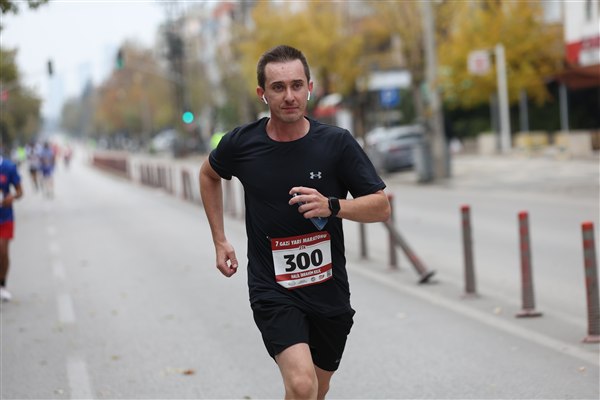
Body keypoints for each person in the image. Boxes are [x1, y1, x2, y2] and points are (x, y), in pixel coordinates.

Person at [199, 45, 390, 399]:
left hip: (328, 289)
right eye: (278, 87)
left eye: (297, 85)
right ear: (262, 93)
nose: (289, 96)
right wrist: (219, 239)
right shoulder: (242, 143)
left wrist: (332, 206)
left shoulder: (336, 144)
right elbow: (208, 175)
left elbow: (380, 207)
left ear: (309, 88)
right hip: (273, 288)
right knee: (302, 385)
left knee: (316, 389)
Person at [0, 153, 23, 302]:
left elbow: (20, 192)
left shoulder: (8, 167)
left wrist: (12, 197)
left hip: (5, 217)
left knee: (2, 251)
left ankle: (2, 285)